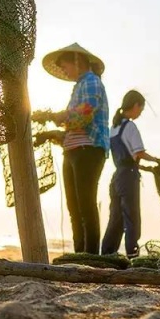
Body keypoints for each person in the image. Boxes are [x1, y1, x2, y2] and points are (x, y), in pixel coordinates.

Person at [34, 43, 110, 255]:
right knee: (74, 209)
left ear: (78, 61)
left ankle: (92, 256)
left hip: (89, 149)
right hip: (73, 150)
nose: (65, 70)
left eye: (65, 65)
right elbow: (71, 127)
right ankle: (80, 253)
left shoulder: (92, 82)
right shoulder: (77, 87)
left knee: (86, 204)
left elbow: (83, 115)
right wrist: (51, 134)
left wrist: (54, 116)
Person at [100, 90, 160, 259]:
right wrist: (157, 160)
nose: (140, 113)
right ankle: (132, 254)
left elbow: (125, 158)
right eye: (141, 110)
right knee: (132, 217)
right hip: (128, 177)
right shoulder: (130, 126)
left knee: (115, 218)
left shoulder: (113, 128)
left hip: (117, 177)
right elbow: (139, 153)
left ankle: (107, 253)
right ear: (135, 105)